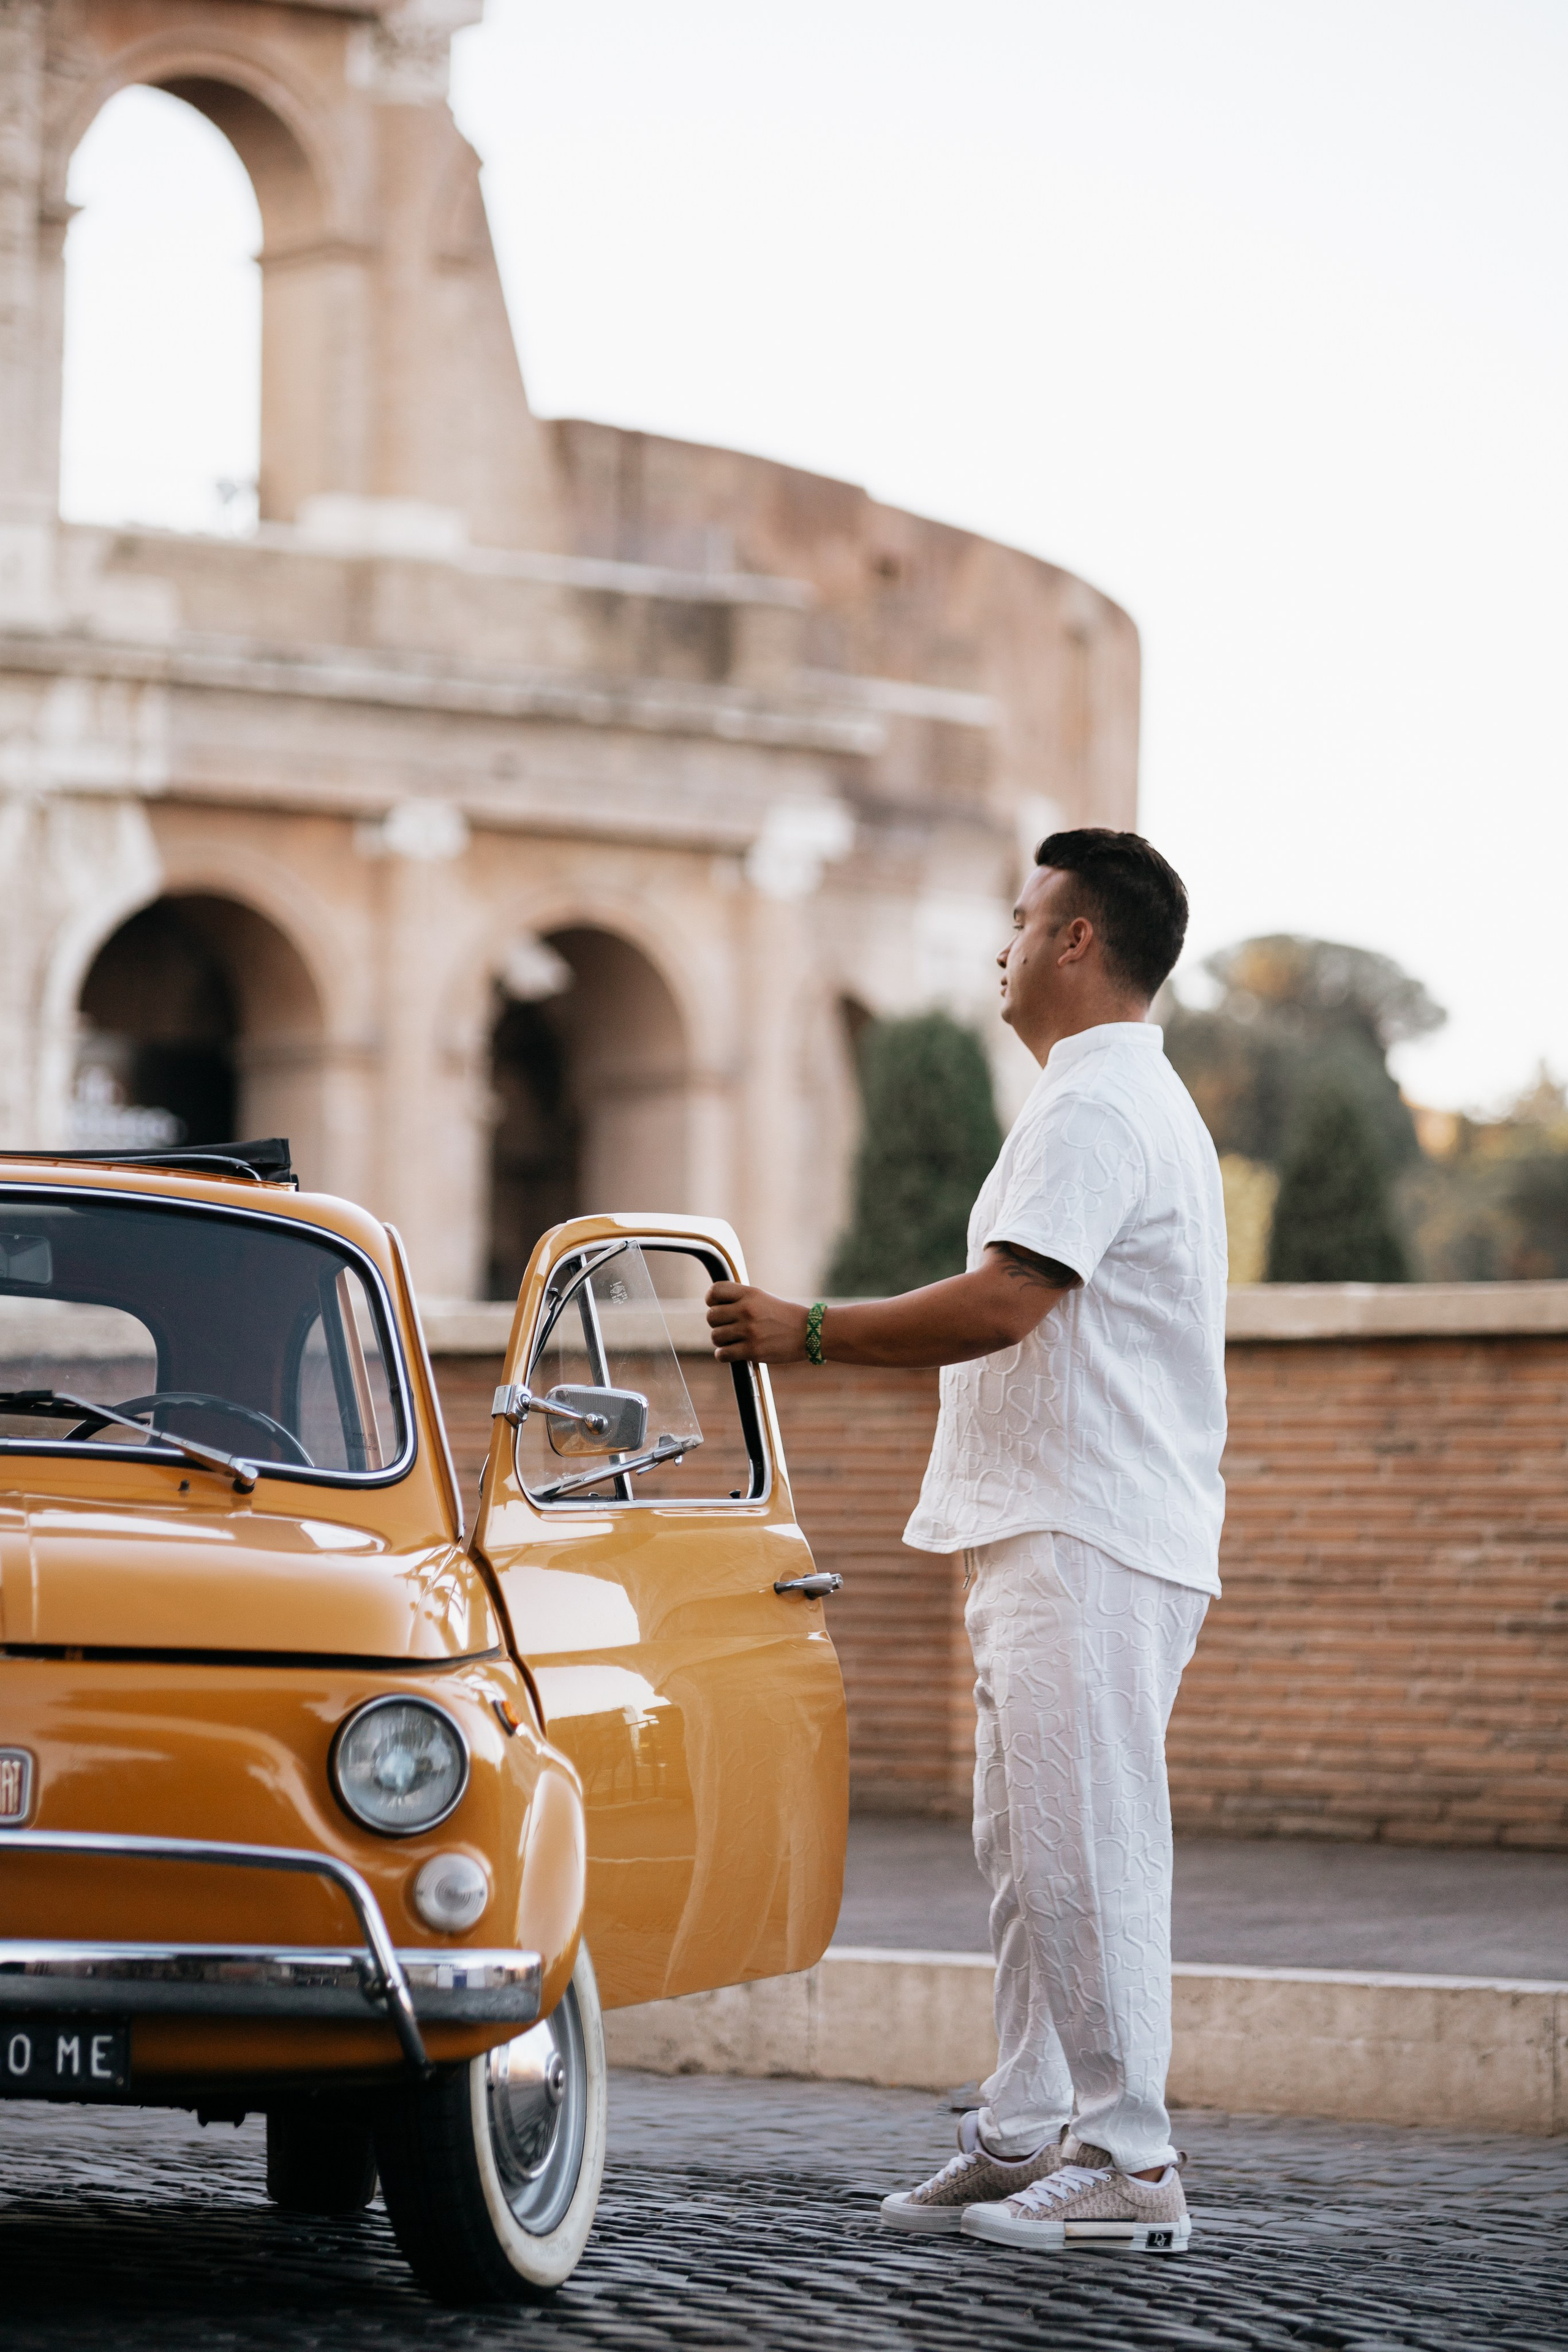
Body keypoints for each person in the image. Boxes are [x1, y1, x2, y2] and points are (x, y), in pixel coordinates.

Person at [705, 827, 1226, 2257]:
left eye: (1019, 917)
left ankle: (1128, 2159)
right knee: (1026, 1850)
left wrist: (802, 1332)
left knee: (1090, 1845)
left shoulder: (1098, 1107)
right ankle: (1019, 2131)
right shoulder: (1088, 1098)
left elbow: (1004, 1304)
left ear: (1075, 939)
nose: (998, 943)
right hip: (1046, 1526)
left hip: (1088, 1529)